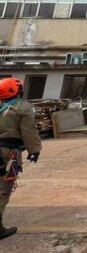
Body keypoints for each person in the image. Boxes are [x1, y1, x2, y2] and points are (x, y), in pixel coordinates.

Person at [0, 78, 42, 239]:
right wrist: (34, 150)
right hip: (7, 153)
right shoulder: (22, 107)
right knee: (3, 189)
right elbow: (28, 131)